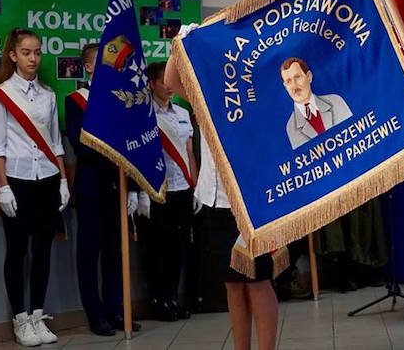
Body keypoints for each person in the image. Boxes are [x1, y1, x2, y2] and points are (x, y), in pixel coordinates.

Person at [165, 23, 279, 350]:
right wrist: (179, 42)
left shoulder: (261, 94)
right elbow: (171, 81)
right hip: (214, 201)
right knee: (232, 283)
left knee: (257, 281)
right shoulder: (207, 95)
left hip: (250, 204)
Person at [0, 28, 70, 347]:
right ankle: (20, 319)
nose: (33, 58)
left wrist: (63, 180)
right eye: (26, 52)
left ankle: (37, 315)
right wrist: (3, 187)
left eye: (37, 52)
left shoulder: (48, 96)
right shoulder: (1, 96)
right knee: (17, 251)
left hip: (46, 180)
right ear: (13, 55)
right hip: (18, 181)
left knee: (43, 251)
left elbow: (56, 143)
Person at [66, 43, 140, 337]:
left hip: (118, 187)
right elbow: (81, 145)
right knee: (90, 253)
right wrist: (112, 149)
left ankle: (116, 309)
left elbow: (133, 145)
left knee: (115, 252)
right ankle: (95, 314)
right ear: (88, 67)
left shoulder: (121, 99)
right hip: (92, 187)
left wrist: (132, 188)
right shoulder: (75, 101)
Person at [139, 61, 198, 322]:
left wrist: (195, 185)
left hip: (182, 187)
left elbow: (189, 152)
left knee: (178, 246)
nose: (169, 85)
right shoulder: (144, 115)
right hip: (158, 190)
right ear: (152, 84)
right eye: (163, 80)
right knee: (157, 247)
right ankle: (158, 298)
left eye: (172, 80)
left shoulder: (182, 113)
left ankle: (173, 297)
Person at [280, 57, 352, 149]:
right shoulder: (291, 127)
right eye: (289, 81)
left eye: (297, 77)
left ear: (309, 77)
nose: (294, 86)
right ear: (285, 86)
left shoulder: (336, 102)